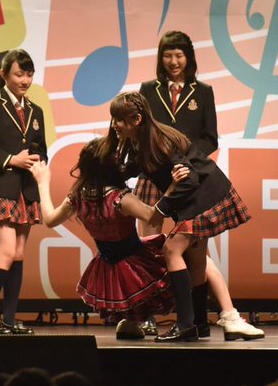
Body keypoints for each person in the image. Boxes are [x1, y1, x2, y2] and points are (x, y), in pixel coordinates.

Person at [137, 30, 264, 341]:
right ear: (160, 58)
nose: (173, 61)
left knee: (194, 252)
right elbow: (142, 135)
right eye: (168, 55)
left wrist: (186, 160)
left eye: (179, 55)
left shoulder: (203, 92)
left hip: (191, 177)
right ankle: (147, 317)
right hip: (155, 177)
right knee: (149, 246)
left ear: (189, 58)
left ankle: (197, 321)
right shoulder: (148, 90)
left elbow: (210, 138)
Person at [106, 91, 251, 342]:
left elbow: (190, 179)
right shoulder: (138, 140)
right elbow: (136, 167)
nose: (114, 125)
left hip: (204, 197)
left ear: (136, 119)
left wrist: (160, 209)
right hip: (195, 199)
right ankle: (199, 324)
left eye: (118, 119)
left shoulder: (159, 141)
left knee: (171, 249)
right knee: (196, 262)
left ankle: (184, 325)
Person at [30, 138, 188, 339]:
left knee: (131, 309)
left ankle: (131, 322)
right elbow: (152, 216)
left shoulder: (78, 197)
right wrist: (172, 187)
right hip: (135, 263)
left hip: (107, 265)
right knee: (187, 261)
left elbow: (50, 220)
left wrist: (42, 183)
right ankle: (204, 317)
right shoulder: (120, 198)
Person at [0, 49, 47, 336]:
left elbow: (42, 149)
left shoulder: (36, 110)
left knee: (18, 254)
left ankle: (10, 319)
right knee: (5, 252)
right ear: (4, 74)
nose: (25, 80)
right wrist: (11, 159)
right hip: (1, 188)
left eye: (29, 75)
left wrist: (39, 161)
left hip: (26, 190)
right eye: (19, 74)